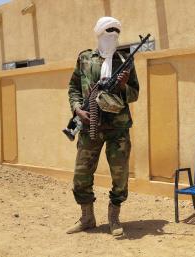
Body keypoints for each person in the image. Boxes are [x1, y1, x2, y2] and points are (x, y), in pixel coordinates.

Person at [66, 17, 139, 236]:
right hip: (90, 125)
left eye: (116, 33)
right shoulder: (85, 58)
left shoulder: (125, 61)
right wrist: (78, 109)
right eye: (108, 32)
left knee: (120, 175)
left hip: (118, 127)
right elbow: (73, 87)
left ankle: (114, 218)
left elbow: (135, 93)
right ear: (98, 33)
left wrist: (124, 86)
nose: (112, 37)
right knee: (81, 174)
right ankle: (87, 218)